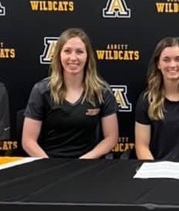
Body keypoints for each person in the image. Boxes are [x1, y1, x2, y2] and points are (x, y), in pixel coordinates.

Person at [22, 28, 118, 158]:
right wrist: (50, 165)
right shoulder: (41, 90)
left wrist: (84, 160)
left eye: (79, 52)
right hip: (49, 162)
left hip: (88, 163)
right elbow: (28, 141)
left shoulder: (102, 91)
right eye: (67, 51)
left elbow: (111, 138)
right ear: (59, 55)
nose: (73, 57)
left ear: (88, 56)